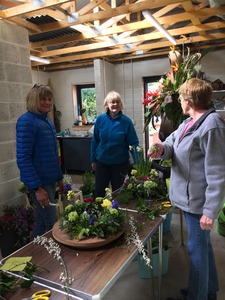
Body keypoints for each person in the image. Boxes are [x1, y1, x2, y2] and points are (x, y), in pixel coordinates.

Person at [148, 78, 225, 300]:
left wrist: (210, 211)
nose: (180, 101)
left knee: (197, 252)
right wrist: (160, 149)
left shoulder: (212, 126)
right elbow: (171, 144)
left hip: (199, 203)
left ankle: (197, 296)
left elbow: (217, 172)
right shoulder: (188, 123)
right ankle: (207, 291)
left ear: (189, 100)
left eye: (181, 98)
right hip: (190, 200)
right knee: (203, 248)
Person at [16, 84, 64, 238]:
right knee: (52, 223)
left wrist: (60, 179)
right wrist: (37, 188)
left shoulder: (47, 121)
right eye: (43, 99)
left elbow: (52, 154)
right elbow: (23, 158)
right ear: (33, 100)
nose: (47, 102)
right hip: (39, 183)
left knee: (41, 223)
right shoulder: (26, 121)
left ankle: (33, 253)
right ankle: (53, 259)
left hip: (50, 180)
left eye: (49, 99)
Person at [91, 90, 139, 197]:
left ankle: (117, 212)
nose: (115, 104)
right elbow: (95, 141)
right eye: (112, 102)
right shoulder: (100, 120)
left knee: (118, 193)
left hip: (119, 164)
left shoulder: (126, 122)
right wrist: (93, 160)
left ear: (121, 104)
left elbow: (134, 143)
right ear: (106, 104)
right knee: (99, 192)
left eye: (117, 102)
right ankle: (100, 212)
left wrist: (138, 163)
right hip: (102, 163)